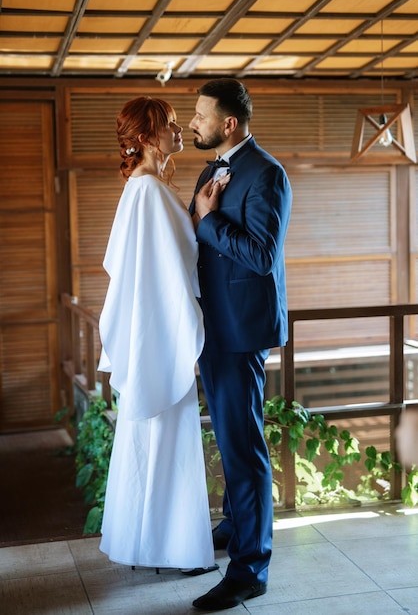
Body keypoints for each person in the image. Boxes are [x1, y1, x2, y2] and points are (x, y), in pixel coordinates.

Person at [97, 96, 226, 573]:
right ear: (148, 137)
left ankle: (147, 545)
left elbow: (163, 254)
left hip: (150, 333)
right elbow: (176, 261)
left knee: (149, 443)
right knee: (168, 443)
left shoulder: (140, 187)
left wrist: (193, 216)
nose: (179, 131)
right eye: (170, 125)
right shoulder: (149, 190)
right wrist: (203, 218)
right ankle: (173, 548)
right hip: (160, 335)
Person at [189, 78, 293, 611]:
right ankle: (234, 524)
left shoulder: (267, 174)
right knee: (230, 438)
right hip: (214, 327)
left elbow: (259, 255)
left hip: (241, 329)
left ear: (228, 123)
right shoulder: (212, 169)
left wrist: (206, 221)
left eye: (201, 116)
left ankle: (251, 568)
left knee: (243, 445)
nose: (193, 123)